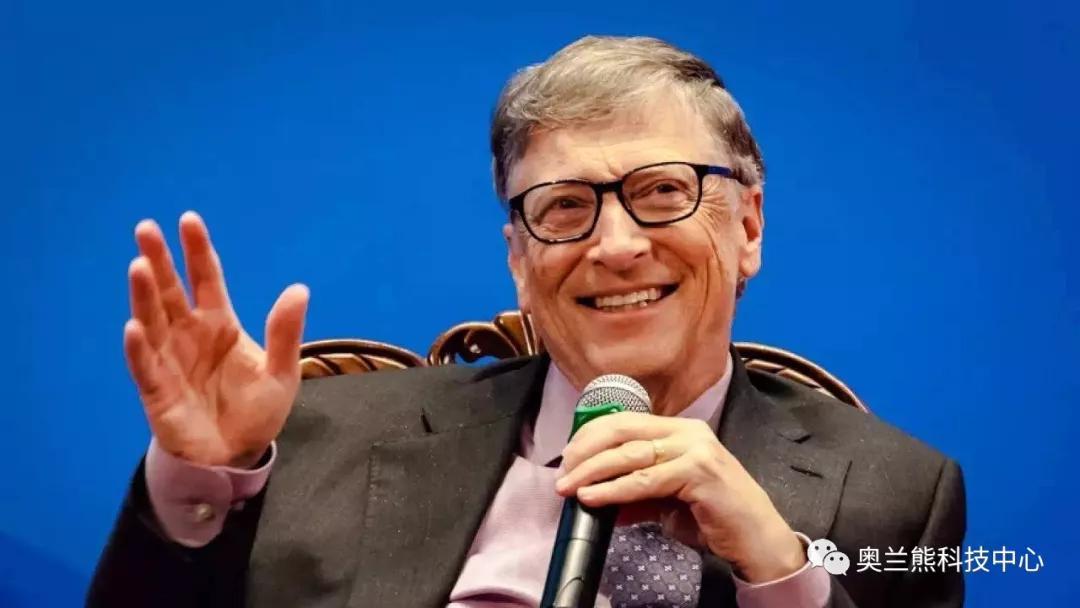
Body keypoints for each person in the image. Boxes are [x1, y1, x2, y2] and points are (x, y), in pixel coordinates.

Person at [88, 36, 965, 608]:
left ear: (748, 227)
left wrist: (782, 574)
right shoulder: (315, 442)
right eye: (565, 205)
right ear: (518, 258)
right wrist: (199, 477)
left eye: (664, 191)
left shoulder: (895, 497)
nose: (615, 246)